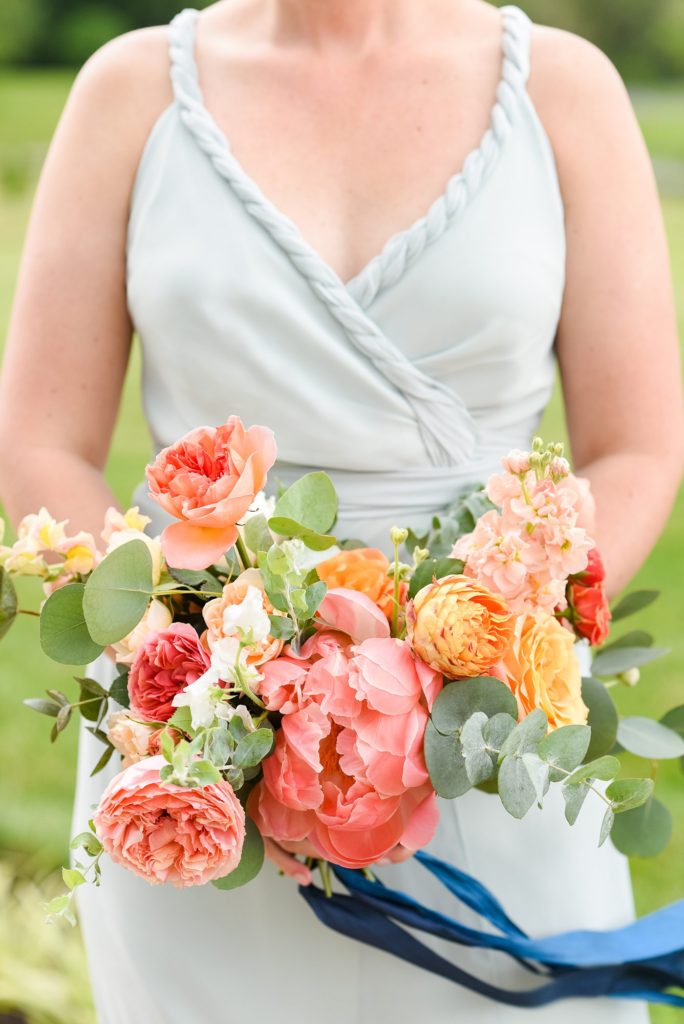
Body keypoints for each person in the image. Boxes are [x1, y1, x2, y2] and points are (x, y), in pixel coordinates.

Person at [1, 1, 682, 1021]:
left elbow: (638, 447)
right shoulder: (131, 92)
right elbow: (39, 439)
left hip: (492, 749)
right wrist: (205, 674)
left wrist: (472, 656)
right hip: (205, 765)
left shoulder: (562, 91)